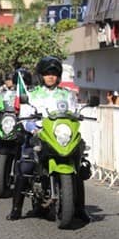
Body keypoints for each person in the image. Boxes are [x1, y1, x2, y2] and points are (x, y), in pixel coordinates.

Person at [6, 56, 91, 222]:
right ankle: (16, 208)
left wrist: (80, 114)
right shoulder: (32, 94)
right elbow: (25, 116)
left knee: (78, 165)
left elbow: (74, 112)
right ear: (41, 75)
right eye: (47, 73)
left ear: (58, 75)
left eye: (54, 73)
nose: (50, 76)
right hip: (40, 134)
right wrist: (33, 129)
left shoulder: (67, 95)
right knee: (25, 166)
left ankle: (80, 208)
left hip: (61, 136)